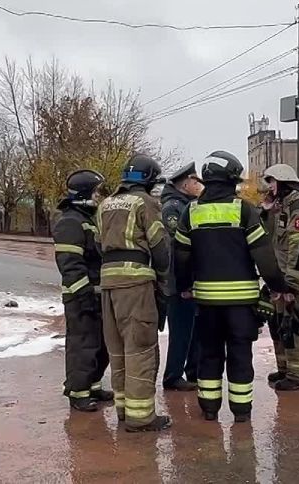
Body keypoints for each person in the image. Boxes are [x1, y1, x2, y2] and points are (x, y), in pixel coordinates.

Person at [173, 151, 289, 423]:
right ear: (232, 180)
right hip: (242, 306)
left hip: (207, 304)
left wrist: (184, 286)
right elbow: (264, 255)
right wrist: (276, 285)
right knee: (239, 355)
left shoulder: (190, 212)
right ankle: (241, 413)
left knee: (209, 355)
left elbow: (180, 256)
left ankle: (210, 410)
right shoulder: (244, 210)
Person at [97, 154, 171, 432]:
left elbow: (97, 243)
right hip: (136, 285)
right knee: (140, 348)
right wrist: (163, 280)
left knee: (117, 348)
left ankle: (124, 411)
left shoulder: (105, 204)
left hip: (109, 284)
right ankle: (141, 418)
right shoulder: (146, 203)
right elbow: (160, 247)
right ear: (150, 179)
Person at [53, 170, 113, 412]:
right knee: (83, 345)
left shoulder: (88, 218)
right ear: (85, 194)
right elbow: (70, 265)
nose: (100, 197)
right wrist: (84, 295)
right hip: (81, 296)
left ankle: (93, 386)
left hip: (96, 294)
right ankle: (78, 392)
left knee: (101, 345)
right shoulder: (70, 222)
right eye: (97, 192)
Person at [261, 163, 299, 391]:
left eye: (272, 182)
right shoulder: (280, 207)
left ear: (282, 182)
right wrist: (265, 210)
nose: (269, 187)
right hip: (280, 279)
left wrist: (290, 284)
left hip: (293, 280)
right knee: (279, 325)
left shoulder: (298, 208)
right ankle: (285, 368)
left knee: (295, 327)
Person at [160, 162, 204, 392]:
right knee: (181, 331)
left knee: (194, 329)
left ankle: (193, 371)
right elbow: (177, 246)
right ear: (186, 183)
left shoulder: (188, 205)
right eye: (196, 181)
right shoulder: (172, 207)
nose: (199, 185)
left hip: (189, 278)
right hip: (177, 281)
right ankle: (173, 376)